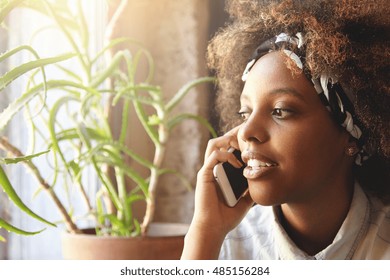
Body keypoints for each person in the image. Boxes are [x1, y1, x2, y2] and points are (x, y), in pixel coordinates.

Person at [181, 0, 390, 260]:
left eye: (280, 111)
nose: (246, 132)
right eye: (244, 113)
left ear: (351, 133)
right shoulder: (223, 244)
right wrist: (205, 232)